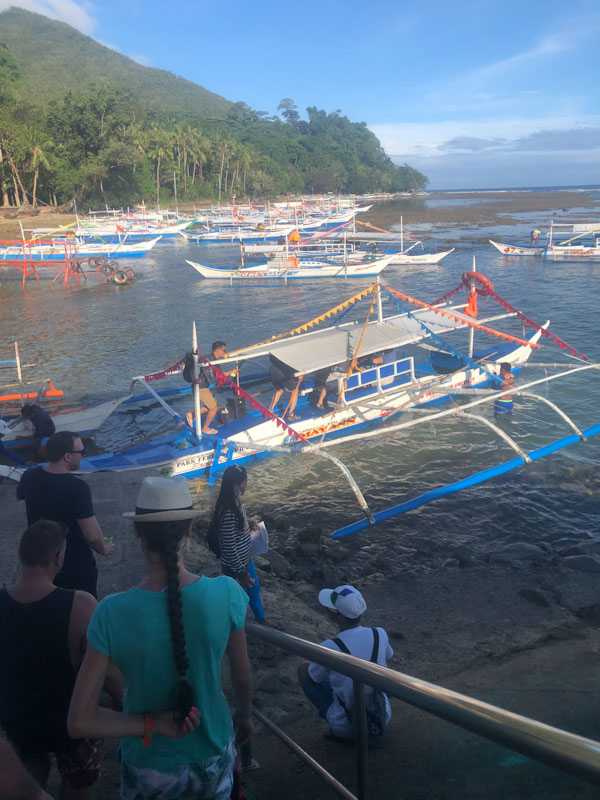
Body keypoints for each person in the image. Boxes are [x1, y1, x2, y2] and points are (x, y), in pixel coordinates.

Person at [68, 476, 252, 800]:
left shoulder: (110, 613)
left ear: (137, 531)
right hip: (213, 754)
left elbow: (80, 721)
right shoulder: (227, 592)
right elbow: (242, 678)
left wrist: (152, 724)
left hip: (149, 765)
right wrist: (245, 715)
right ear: (189, 530)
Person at [0, 520, 103, 799]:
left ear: (22, 555)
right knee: (79, 783)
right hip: (70, 721)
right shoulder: (81, 604)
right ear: (59, 558)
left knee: (31, 773)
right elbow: (104, 669)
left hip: (19, 720)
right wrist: (122, 702)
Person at [17, 431, 114, 596]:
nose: (83, 455)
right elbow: (92, 536)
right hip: (73, 564)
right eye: (81, 452)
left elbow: (20, 495)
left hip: (40, 561)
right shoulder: (78, 488)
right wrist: (103, 548)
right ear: (67, 457)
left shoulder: (29, 477)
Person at [297, 584, 393, 741]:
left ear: (339, 617)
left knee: (304, 670)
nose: (328, 611)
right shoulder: (379, 634)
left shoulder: (330, 647)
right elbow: (389, 655)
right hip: (382, 716)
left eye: (331, 610)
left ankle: (336, 726)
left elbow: (314, 678)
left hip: (347, 727)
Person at [213, 464, 268, 625]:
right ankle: (235, 624)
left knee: (254, 588)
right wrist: (241, 574)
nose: (247, 484)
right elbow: (229, 547)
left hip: (245, 560)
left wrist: (249, 523)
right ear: (236, 485)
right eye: (245, 481)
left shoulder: (235, 502)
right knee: (237, 595)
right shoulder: (228, 511)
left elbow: (237, 525)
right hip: (236, 566)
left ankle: (261, 619)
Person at [187, 341, 237, 435]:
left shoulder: (216, 362)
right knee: (214, 407)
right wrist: (194, 378)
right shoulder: (207, 359)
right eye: (223, 350)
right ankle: (205, 428)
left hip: (204, 387)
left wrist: (231, 371)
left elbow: (219, 375)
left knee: (213, 404)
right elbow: (193, 367)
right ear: (218, 350)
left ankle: (192, 415)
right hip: (200, 387)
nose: (224, 352)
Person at [268, 355, 301, 421]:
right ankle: (291, 414)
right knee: (295, 390)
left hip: (273, 370)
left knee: (279, 389)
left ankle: (270, 411)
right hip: (283, 373)